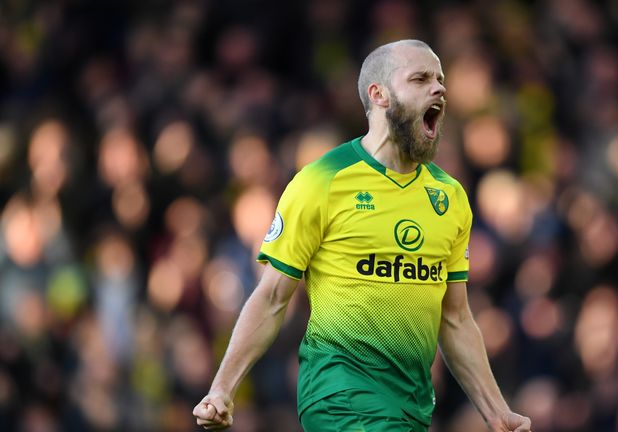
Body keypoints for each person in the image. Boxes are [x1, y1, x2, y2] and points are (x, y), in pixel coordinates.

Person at [192, 39, 532, 432]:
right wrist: (222, 389)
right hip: (339, 397)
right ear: (379, 95)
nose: (438, 88)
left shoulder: (450, 197)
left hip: (411, 408)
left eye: (440, 79)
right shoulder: (322, 180)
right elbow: (271, 297)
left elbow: (454, 319)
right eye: (421, 78)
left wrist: (496, 413)